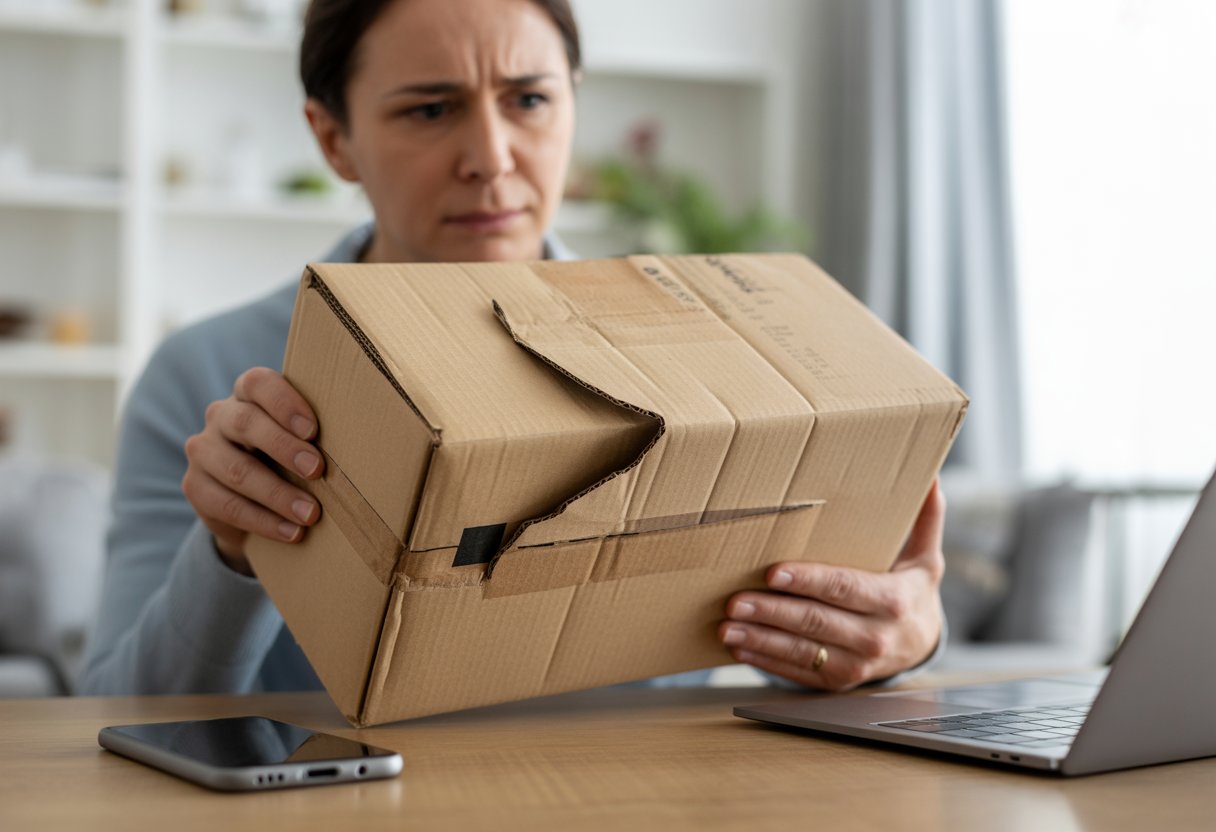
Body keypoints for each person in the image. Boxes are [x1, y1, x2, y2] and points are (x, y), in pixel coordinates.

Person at [80, 0, 946, 697]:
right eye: (430, 108)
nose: (492, 159)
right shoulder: (210, 380)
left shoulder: (707, 360)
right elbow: (115, 718)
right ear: (332, 138)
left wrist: (899, 637)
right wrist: (232, 550)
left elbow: (781, 643)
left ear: (574, 100)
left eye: (529, 100)